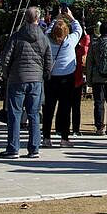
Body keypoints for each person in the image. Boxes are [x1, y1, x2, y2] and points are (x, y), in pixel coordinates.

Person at [0, 6, 50, 158]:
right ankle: (34, 148)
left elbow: (5, 58)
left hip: (17, 78)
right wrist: (44, 75)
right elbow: (48, 60)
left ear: (25, 18)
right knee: (34, 114)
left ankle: (13, 148)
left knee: (15, 114)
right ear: (38, 19)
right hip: (36, 79)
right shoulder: (43, 38)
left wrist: (7, 74)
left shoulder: (16, 36)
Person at [41, 9, 83, 148]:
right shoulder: (70, 41)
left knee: (48, 109)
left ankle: (46, 137)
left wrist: (56, 18)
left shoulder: (47, 39)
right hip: (67, 78)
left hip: (51, 78)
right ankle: (64, 138)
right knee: (65, 109)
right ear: (66, 32)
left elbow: (47, 31)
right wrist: (70, 17)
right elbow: (78, 29)